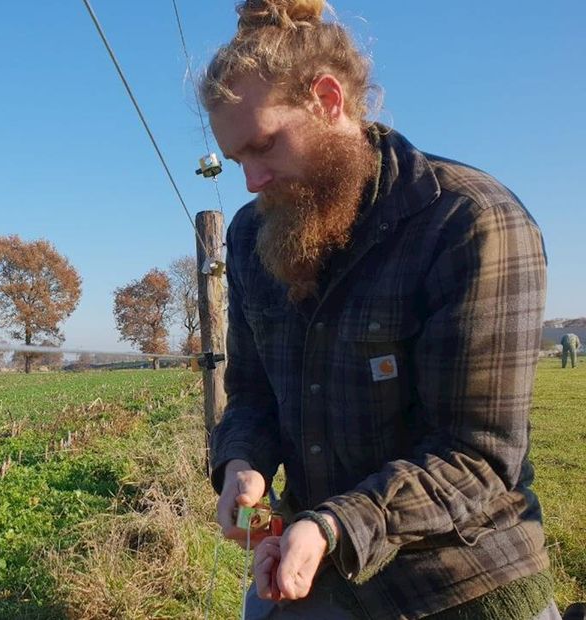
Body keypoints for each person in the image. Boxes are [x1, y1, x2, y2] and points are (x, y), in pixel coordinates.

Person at [200, 1, 555, 618]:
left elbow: (478, 454)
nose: (252, 179)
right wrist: (242, 464)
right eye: (237, 161)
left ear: (328, 100)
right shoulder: (252, 236)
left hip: (458, 575)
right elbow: (252, 390)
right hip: (312, 559)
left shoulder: (469, 222)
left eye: (265, 146)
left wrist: (333, 526)